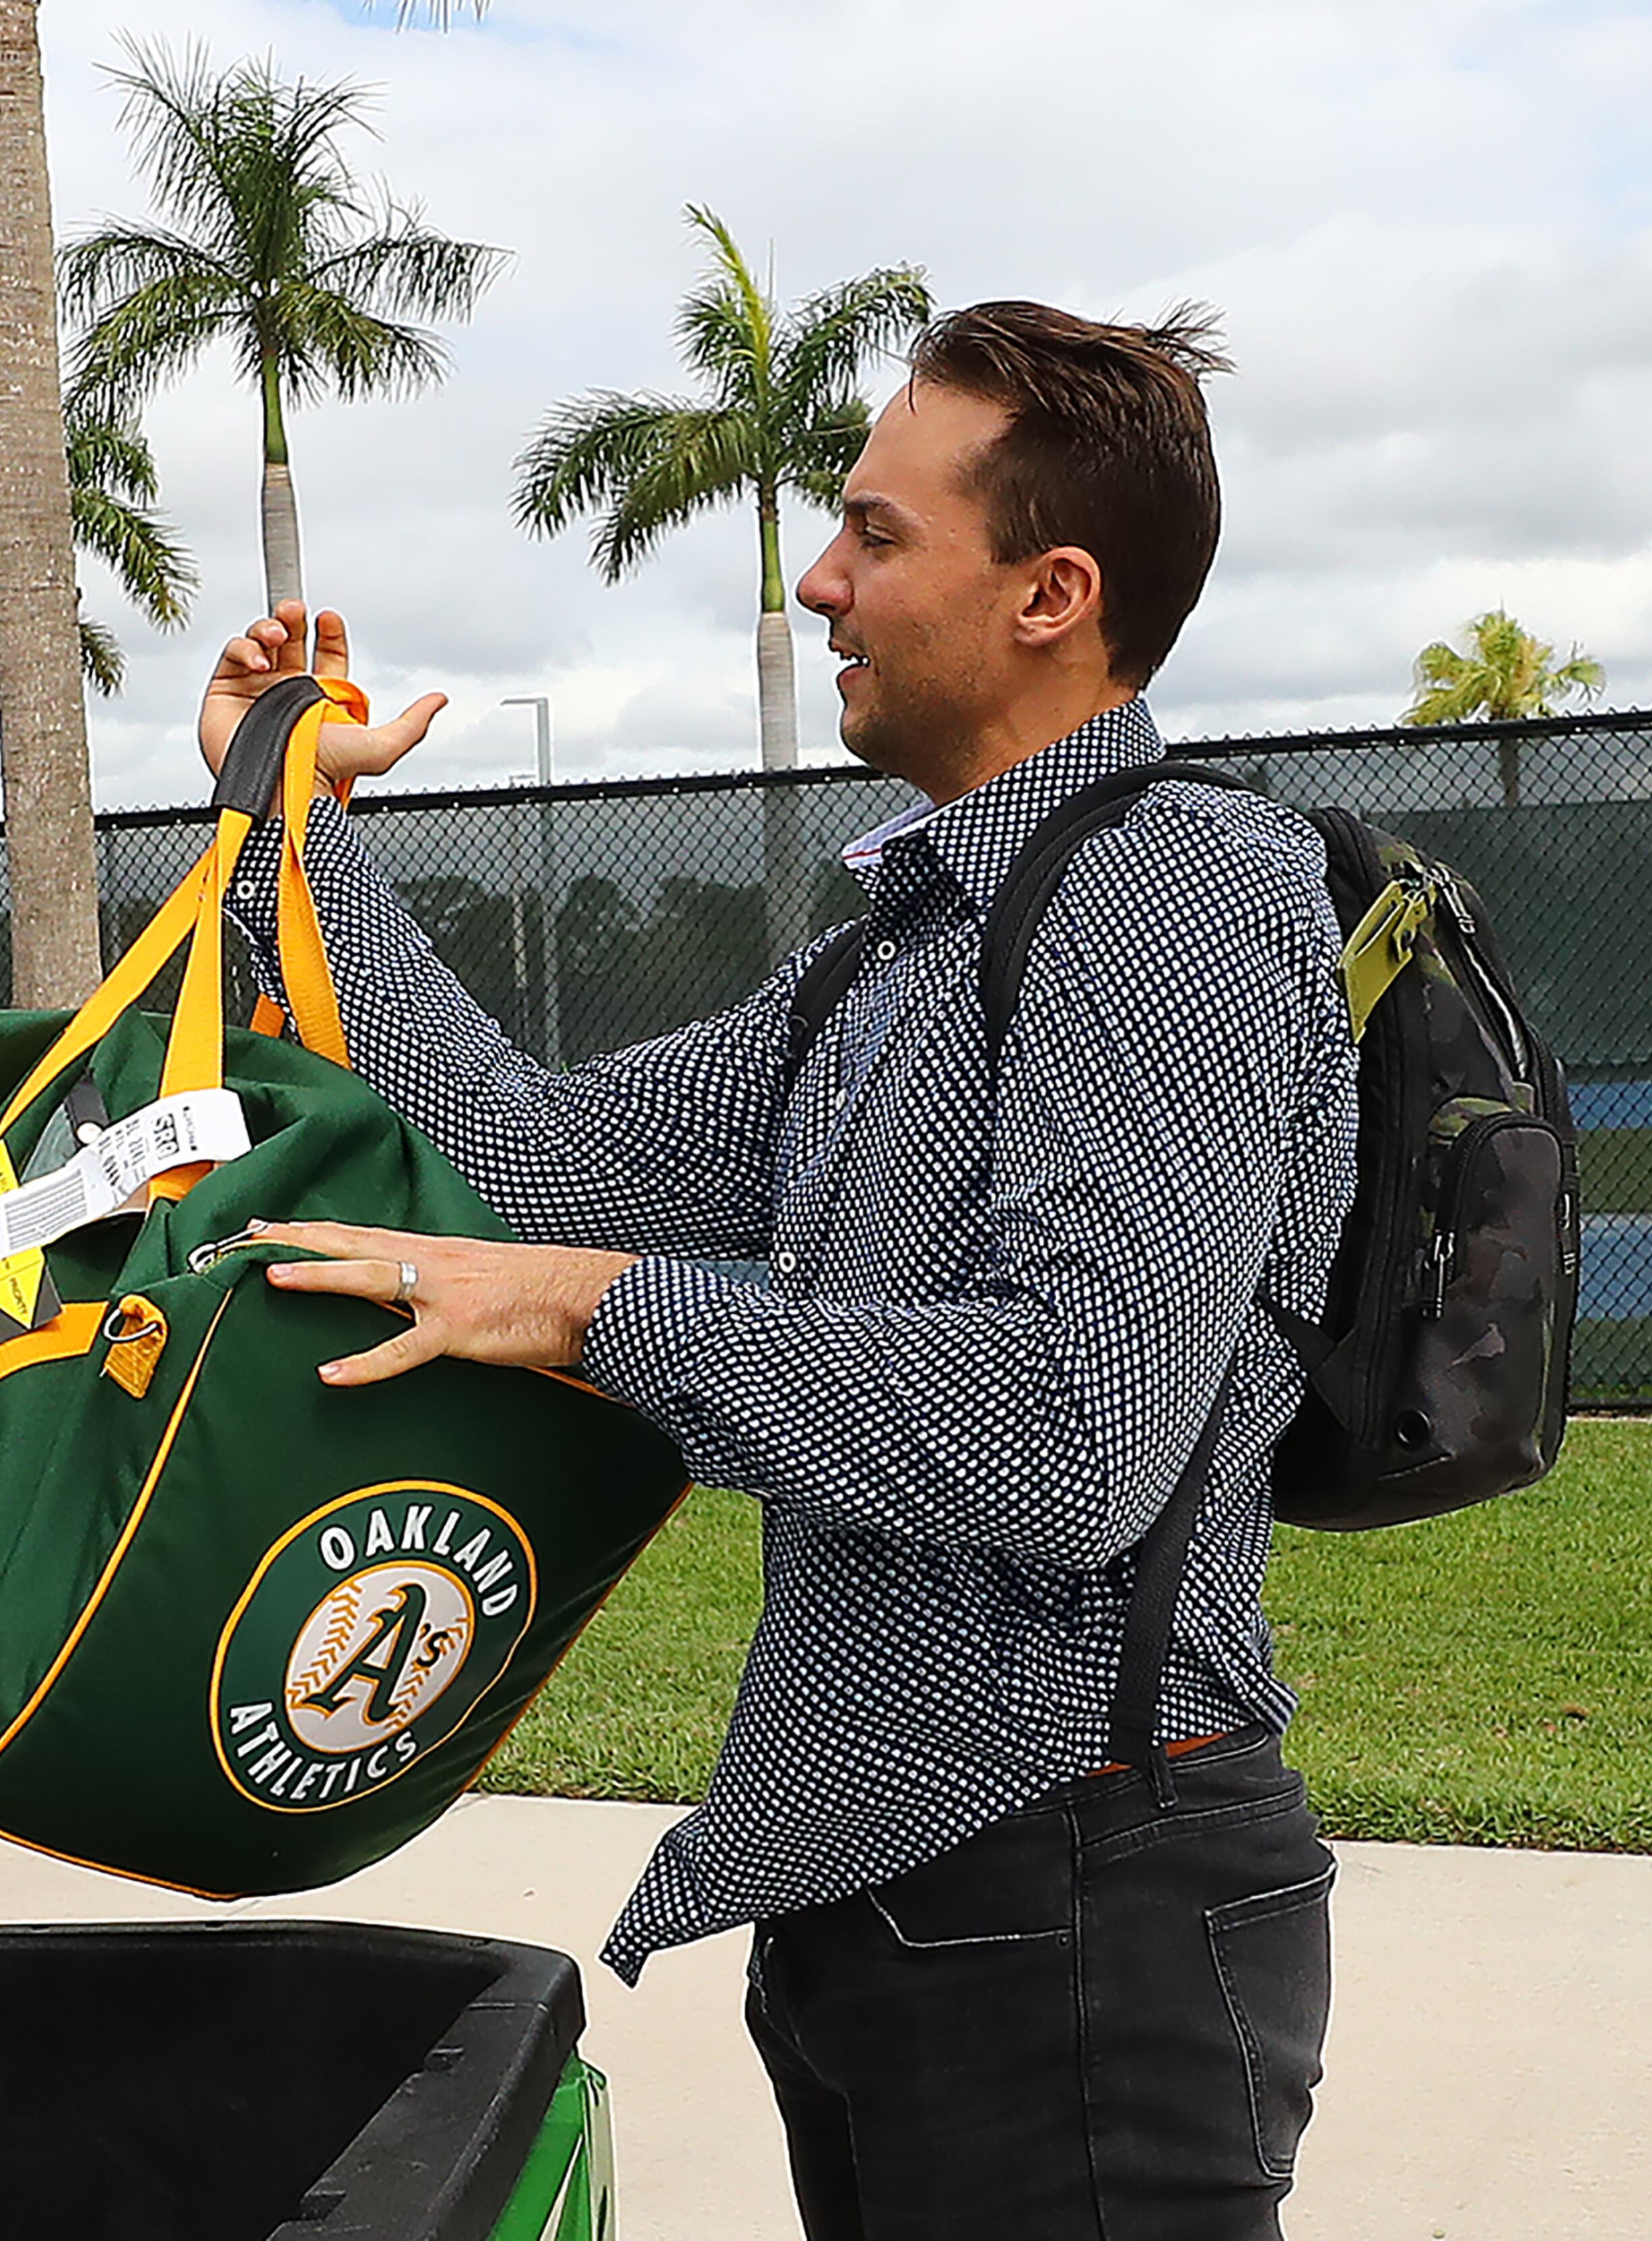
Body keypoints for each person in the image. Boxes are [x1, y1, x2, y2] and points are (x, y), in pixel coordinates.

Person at [197, 303, 1357, 2240]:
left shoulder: (1173, 896)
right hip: (897, 1903)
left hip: (1080, 1906)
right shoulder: (897, 952)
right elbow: (523, 1160)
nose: (821, 581)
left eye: (879, 538)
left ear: (1052, 593)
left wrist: (594, 1309)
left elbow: (1078, 1432)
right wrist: (281, 807)